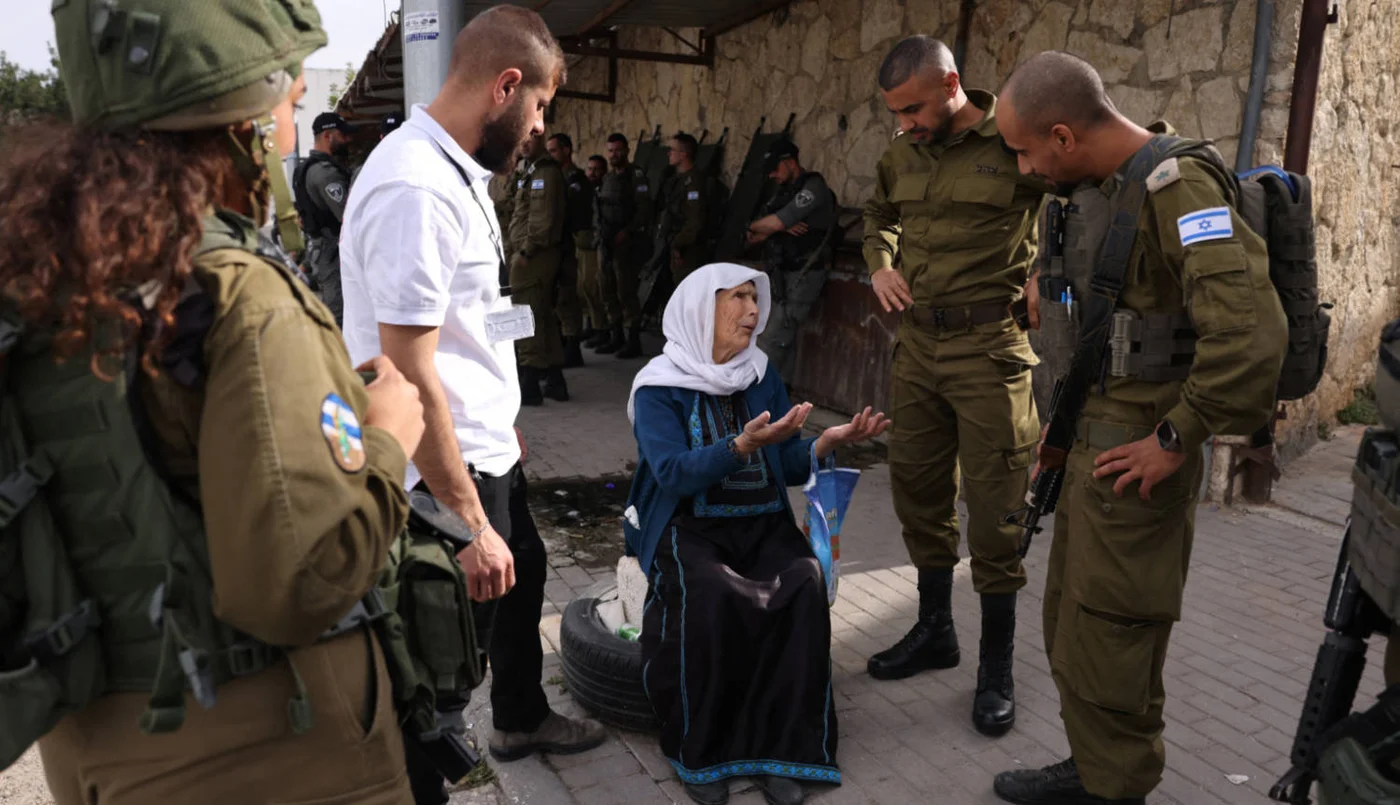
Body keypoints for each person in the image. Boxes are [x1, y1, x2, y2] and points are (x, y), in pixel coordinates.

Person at [2, 2, 426, 802]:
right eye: (293, 105)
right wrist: (387, 440)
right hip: (269, 754)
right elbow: (297, 580)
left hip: (95, 747)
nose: (294, 131)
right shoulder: (236, 292)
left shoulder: (47, 275)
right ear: (244, 125)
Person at [991, 51, 1288, 804]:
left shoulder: (1178, 185)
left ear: (1062, 136)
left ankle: (1116, 785)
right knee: (1072, 625)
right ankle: (1093, 765)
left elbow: (1250, 338)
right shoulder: (1100, 187)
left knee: (1115, 633)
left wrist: (1174, 437)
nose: (1025, 169)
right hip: (1090, 444)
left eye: (1026, 150)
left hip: (1137, 455)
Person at [338, 7, 605, 804]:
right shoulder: (416, 185)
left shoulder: (457, 172)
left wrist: (500, 410)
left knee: (528, 576)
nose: (540, 126)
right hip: (438, 478)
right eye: (541, 107)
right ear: (505, 86)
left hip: (486, 444)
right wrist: (470, 521)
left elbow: (464, 326)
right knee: (440, 672)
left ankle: (520, 716)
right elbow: (409, 369)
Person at [625, 263, 889, 805]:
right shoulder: (658, 387)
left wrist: (824, 441)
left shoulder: (759, 371)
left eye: (754, 299)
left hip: (762, 521)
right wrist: (738, 447)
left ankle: (784, 752)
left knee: (801, 581)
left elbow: (787, 461)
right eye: (738, 298)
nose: (753, 311)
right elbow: (672, 472)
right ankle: (705, 754)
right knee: (711, 592)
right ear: (703, 308)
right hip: (688, 527)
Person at [861, 35, 1052, 738]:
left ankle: (995, 667)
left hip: (989, 349)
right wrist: (880, 263)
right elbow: (877, 215)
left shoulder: (1013, 139)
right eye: (896, 113)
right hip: (917, 346)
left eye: (912, 108)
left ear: (951, 85)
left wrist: (1047, 273)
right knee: (916, 489)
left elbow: (1080, 197)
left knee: (997, 511)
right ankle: (935, 629)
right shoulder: (901, 151)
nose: (904, 123)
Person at [747, 136, 838, 381]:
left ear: (789, 163)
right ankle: (780, 396)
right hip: (781, 274)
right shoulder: (783, 193)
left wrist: (775, 225)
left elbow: (772, 223)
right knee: (780, 336)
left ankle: (756, 400)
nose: (772, 176)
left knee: (774, 338)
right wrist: (777, 227)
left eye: (775, 169)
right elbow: (753, 235)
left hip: (804, 273)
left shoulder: (813, 187)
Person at [509, 130, 570, 404]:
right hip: (531, 254)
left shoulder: (544, 173)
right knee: (542, 316)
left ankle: (530, 384)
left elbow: (542, 219)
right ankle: (555, 380)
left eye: (528, 139)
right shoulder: (531, 170)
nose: (523, 144)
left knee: (526, 315)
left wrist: (526, 250)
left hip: (534, 256)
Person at [293, 111, 356, 326]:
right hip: (332, 252)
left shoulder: (305, 168)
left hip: (320, 250)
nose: (348, 140)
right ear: (328, 136)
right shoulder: (326, 174)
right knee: (340, 318)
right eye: (343, 135)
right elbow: (349, 216)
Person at [595, 132, 652, 359]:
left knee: (626, 291)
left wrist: (626, 231)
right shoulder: (608, 179)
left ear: (627, 150)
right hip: (607, 241)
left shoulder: (636, 176)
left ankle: (633, 339)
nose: (613, 155)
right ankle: (616, 335)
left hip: (626, 242)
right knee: (607, 289)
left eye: (617, 150)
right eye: (610, 150)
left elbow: (644, 210)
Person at [547, 132, 589, 368]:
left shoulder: (575, 179)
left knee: (567, 296)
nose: (552, 155)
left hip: (569, 242)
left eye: (554, 150)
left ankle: (573, 346)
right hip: (557, 244)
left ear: (566, 150)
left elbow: (574, 212)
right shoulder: (557, 177)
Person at [665, 132, 716, 285]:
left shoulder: (694, 182)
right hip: (678, 244)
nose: (669, 153)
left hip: (689, 249)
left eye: (672, 150)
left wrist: (678, 243)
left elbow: (695, 220)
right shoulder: (677, 180)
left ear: (683, 154)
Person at [579, 154, 610, 347]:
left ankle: (603, 329)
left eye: (597, 169)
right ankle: (591, 324)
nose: (592, 173)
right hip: (584, 243)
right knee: (584, 289)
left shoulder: (606, 191)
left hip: (597, 243)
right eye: (590, 169)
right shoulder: (586, 190)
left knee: (596, 288)